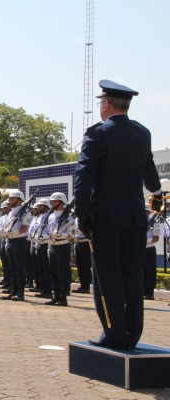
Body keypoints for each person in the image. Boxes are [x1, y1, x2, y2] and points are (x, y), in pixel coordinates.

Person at [74, 79, 162, 350]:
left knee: (107, 275)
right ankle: (132, 334)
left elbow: (83, 175)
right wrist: (157, 193)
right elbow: (149, 169)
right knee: (132, 275)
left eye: (101, 102)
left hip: (106, 217)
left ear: (107, 104)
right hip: (135, 216)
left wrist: (82, 213)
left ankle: (113, 333)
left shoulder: (97, 133)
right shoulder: (142, 132)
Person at [143, 204, 161, 301]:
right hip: (140, 249)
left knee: (150, 271)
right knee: (140, 271)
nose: (145, 214)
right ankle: (142, 292)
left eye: (147, 212)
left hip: (149, 248)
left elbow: (156, 238)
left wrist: (144, 241)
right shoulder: (138, 222)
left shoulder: (154, 222)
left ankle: (150, 293)